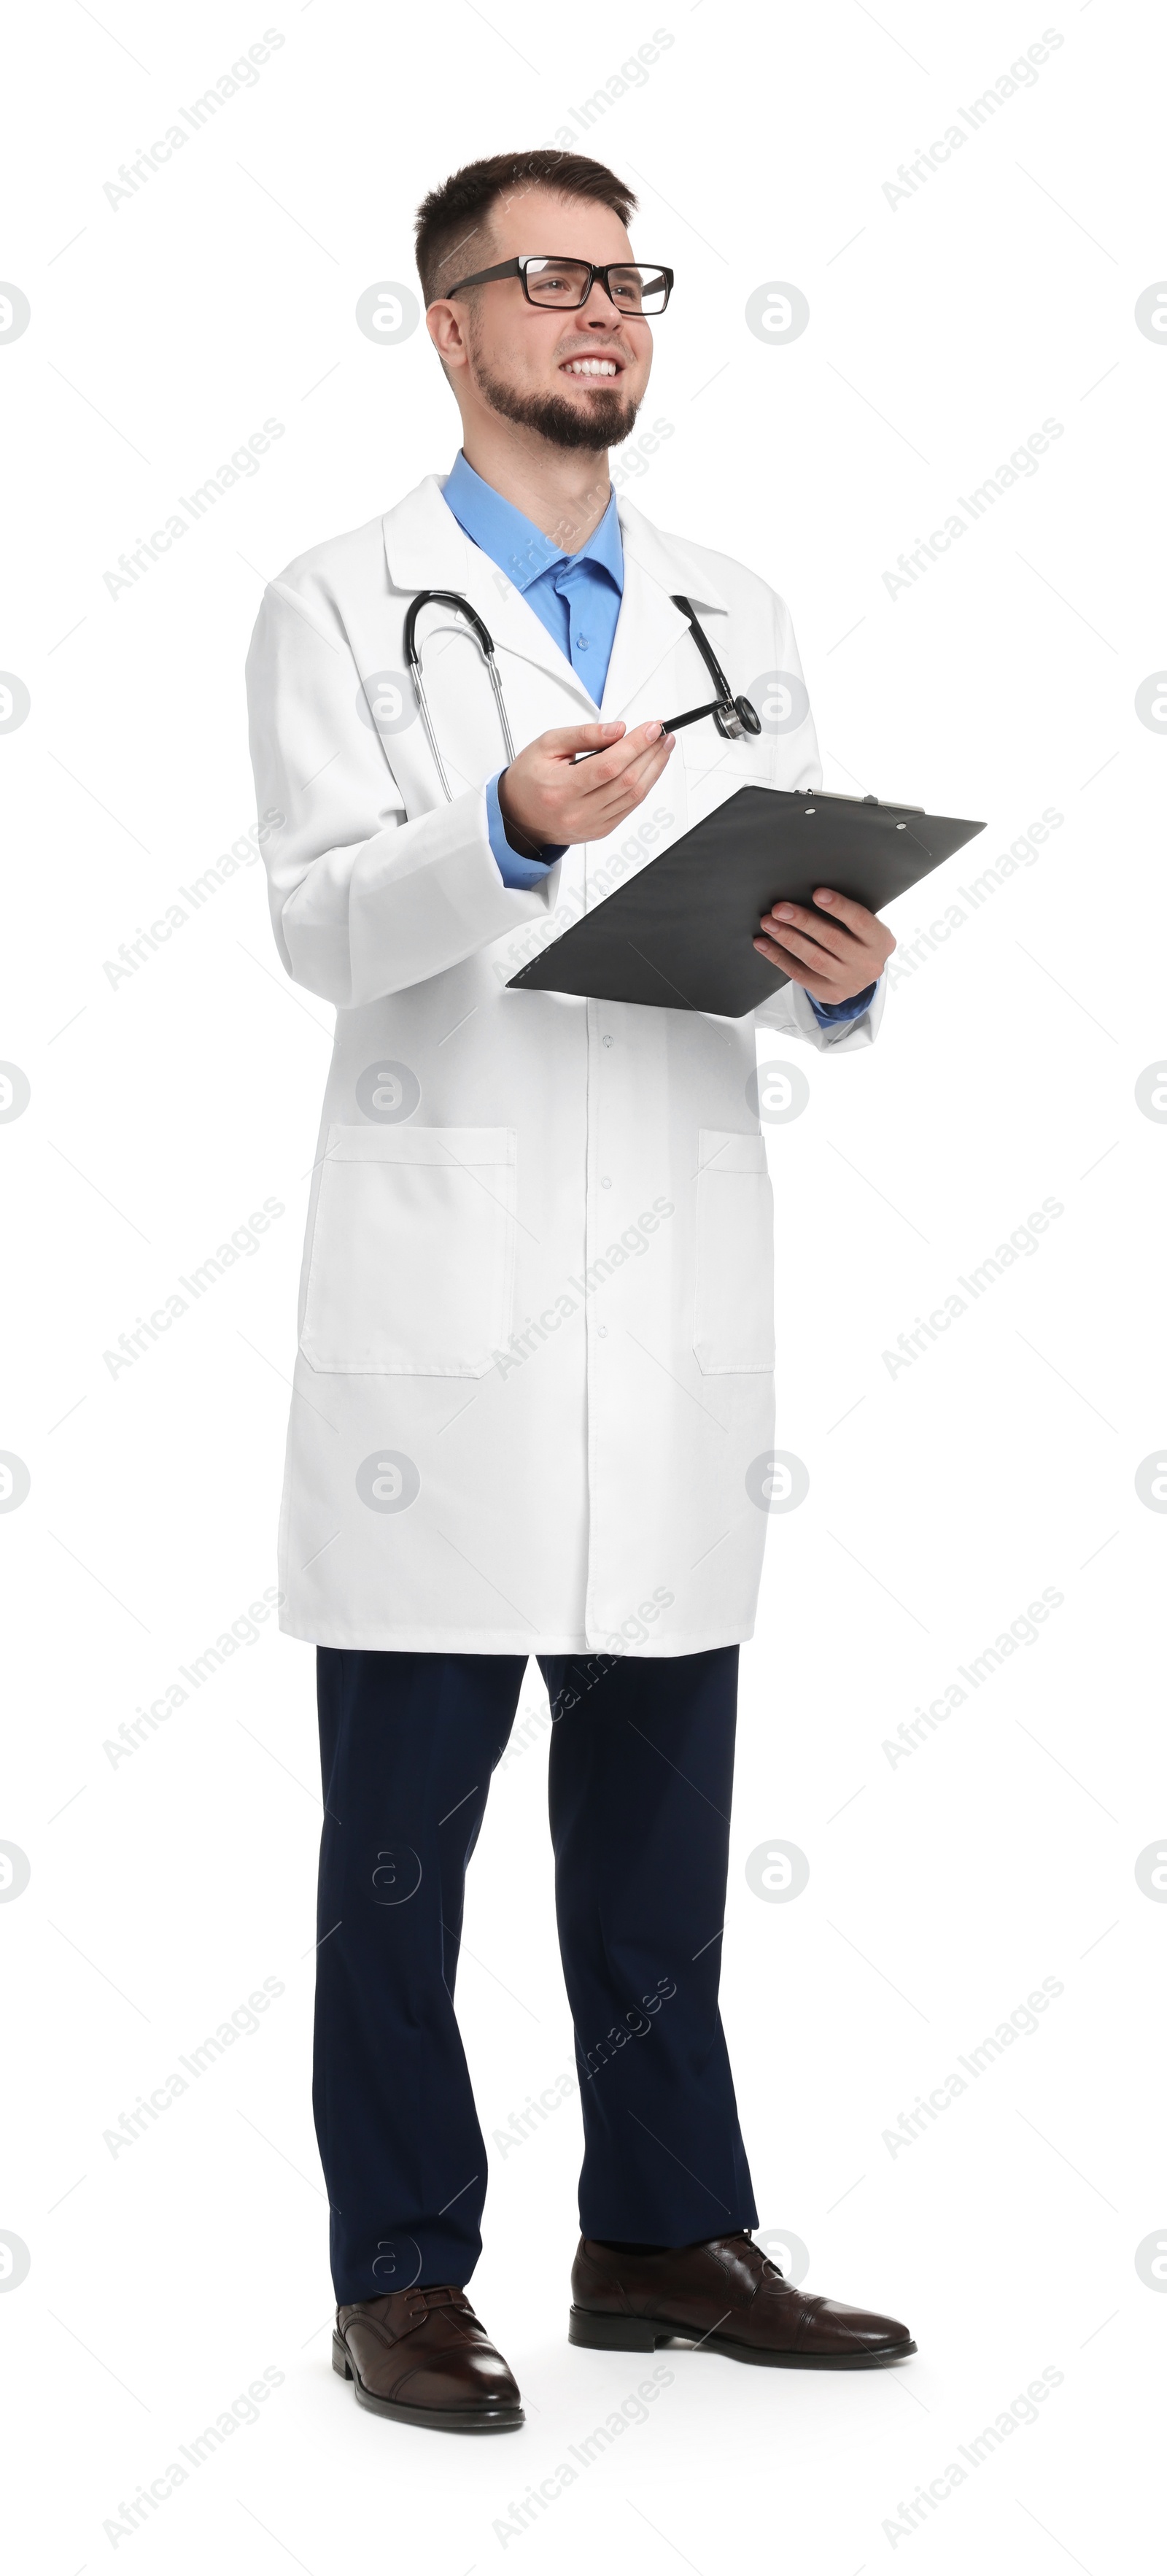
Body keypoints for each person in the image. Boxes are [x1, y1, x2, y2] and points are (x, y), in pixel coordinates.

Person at [244, 148, 911, 2435]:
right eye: (544, 278)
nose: (599, 310)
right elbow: (323, 928)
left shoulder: (734, 604)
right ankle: (401, 2270)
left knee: (655, 1831)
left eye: (624, 276)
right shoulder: (344, 602)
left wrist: (834, 972)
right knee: (401, 1856)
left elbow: (769, 899)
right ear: (447, 324)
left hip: (675, 1288)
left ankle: (659, 2227)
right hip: (447, 1327)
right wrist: (509, 827)